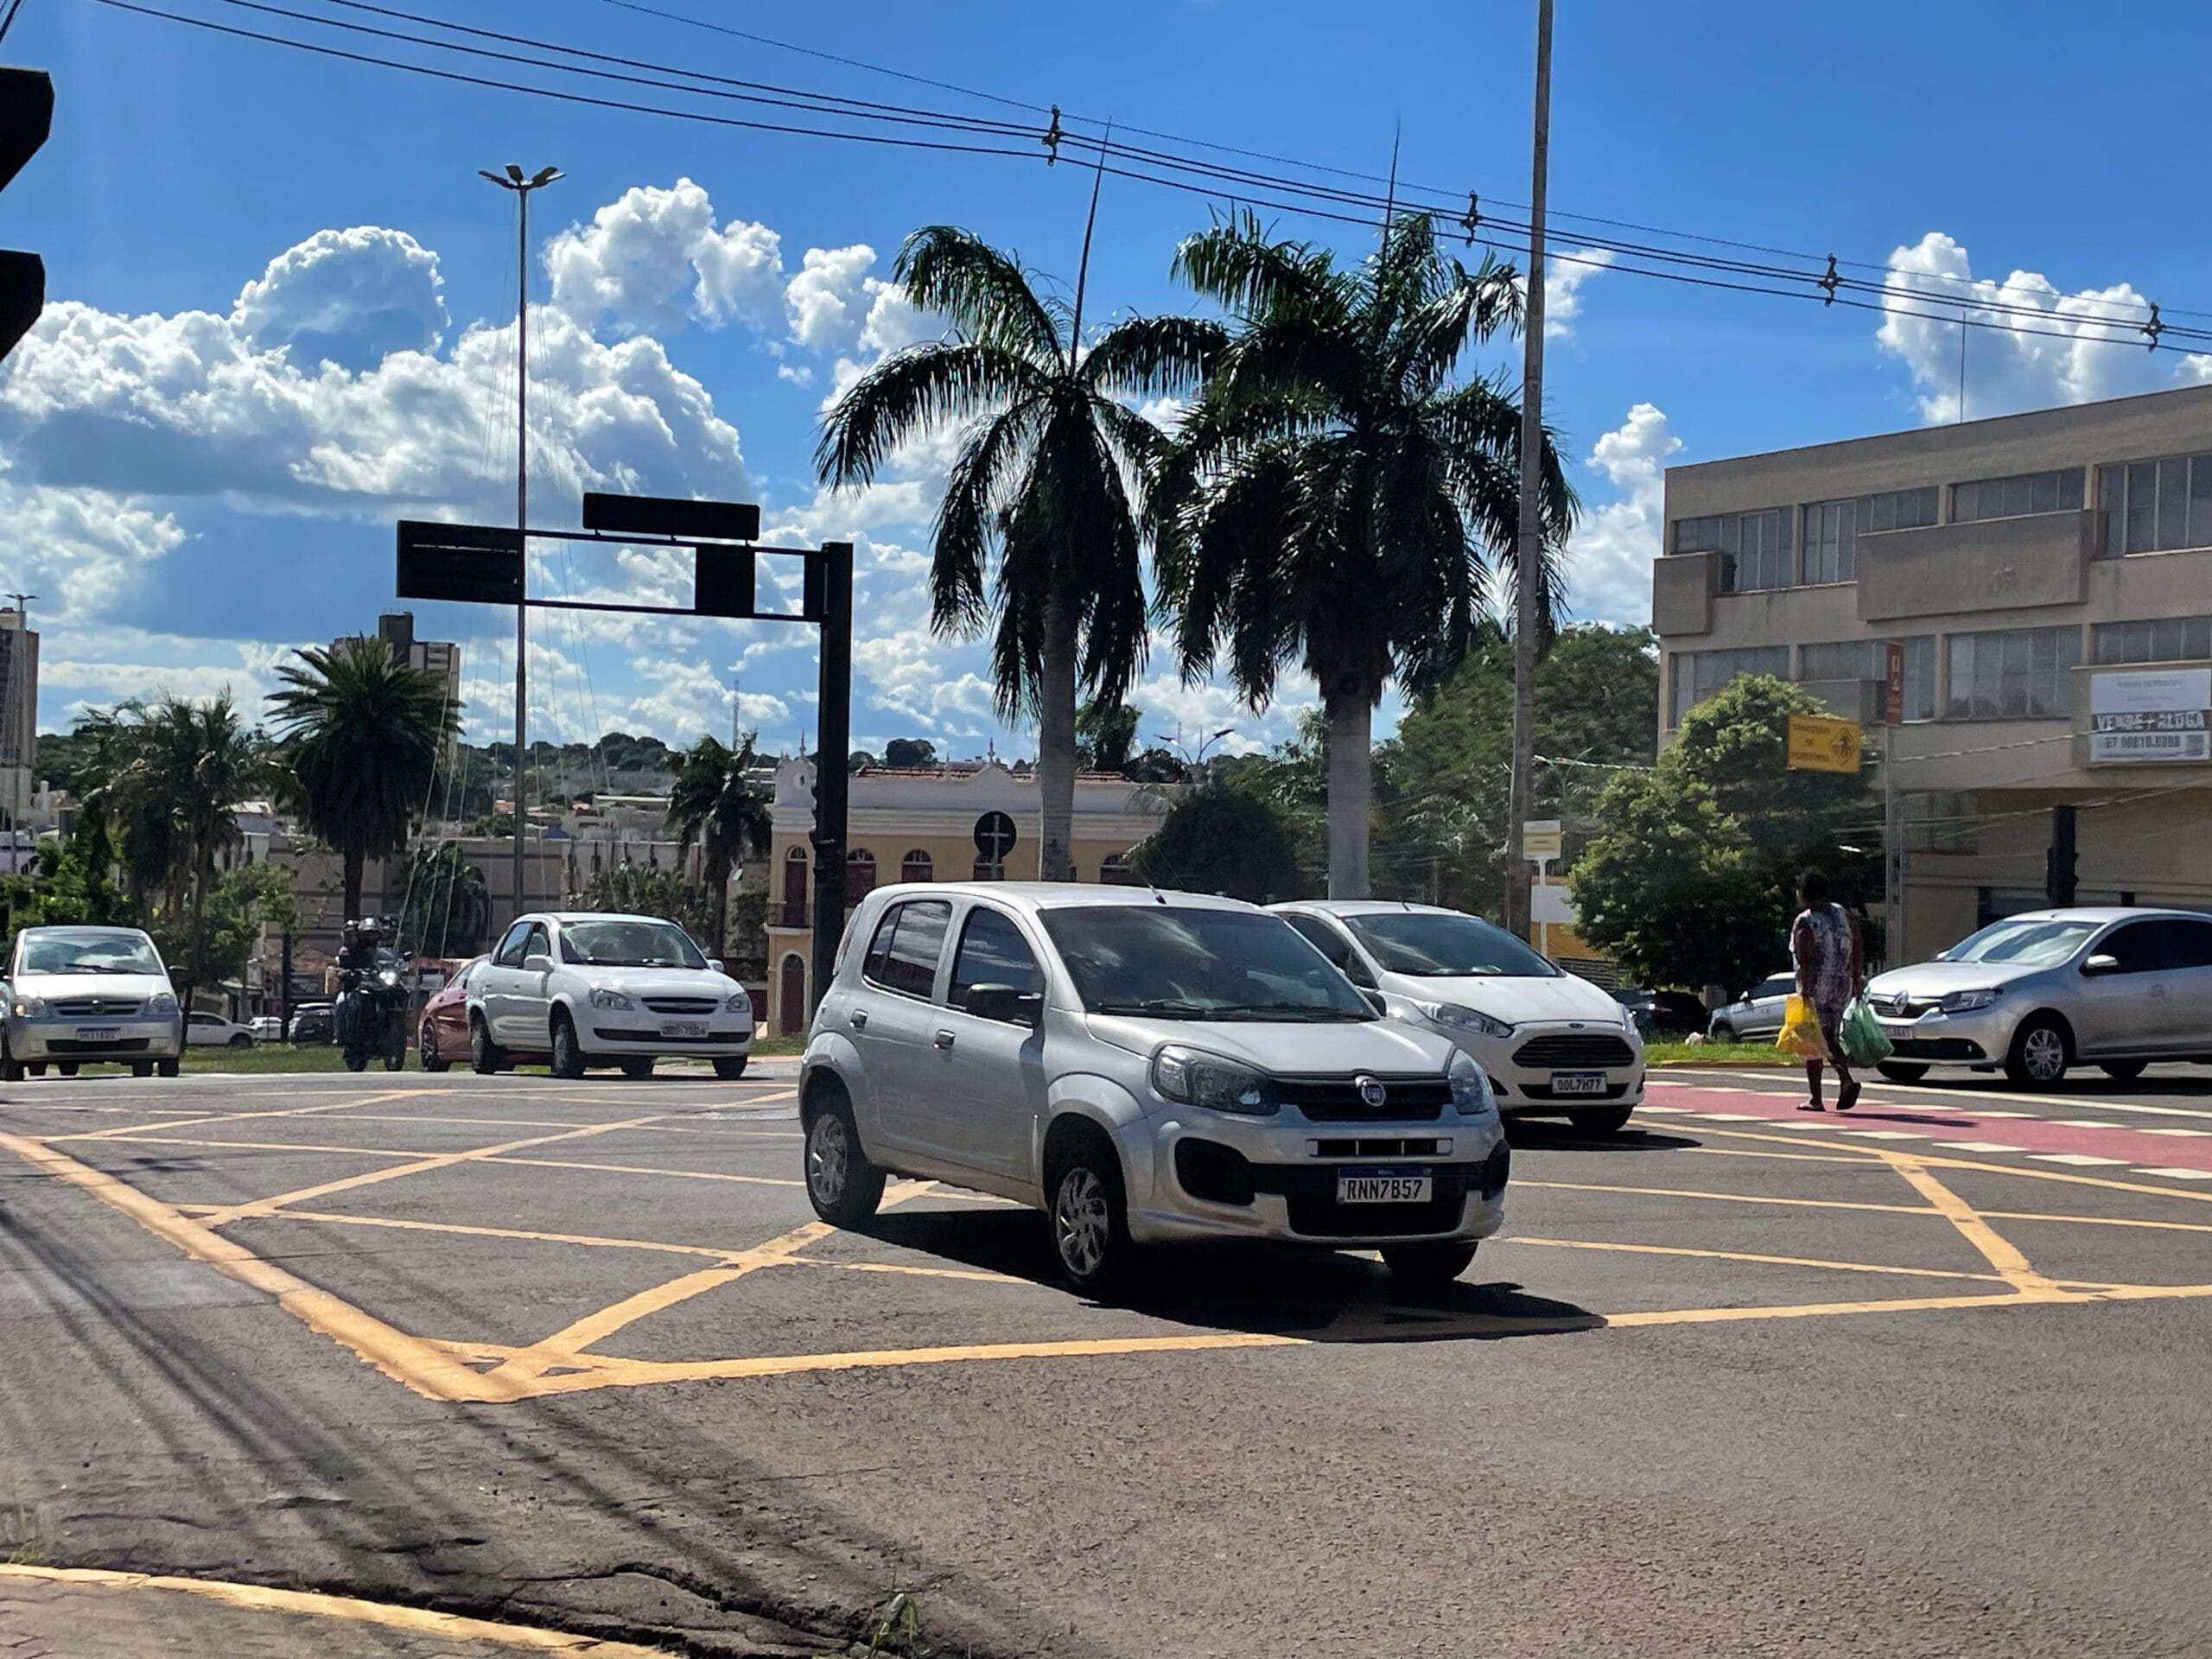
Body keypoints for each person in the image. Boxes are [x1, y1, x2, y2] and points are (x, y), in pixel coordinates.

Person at [1790, 868, 1864, 1112]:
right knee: (1830, 1037)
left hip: (1816, 987)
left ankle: (1818, 1097)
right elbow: (1857, 947)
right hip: (1841, 985)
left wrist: (1805, 992)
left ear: (1805, 893)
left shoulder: (1806, 921)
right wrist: (1856, 979)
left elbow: (1805, 959)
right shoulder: (1844, 915)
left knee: (1812, 1041)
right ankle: (1844, 1080)